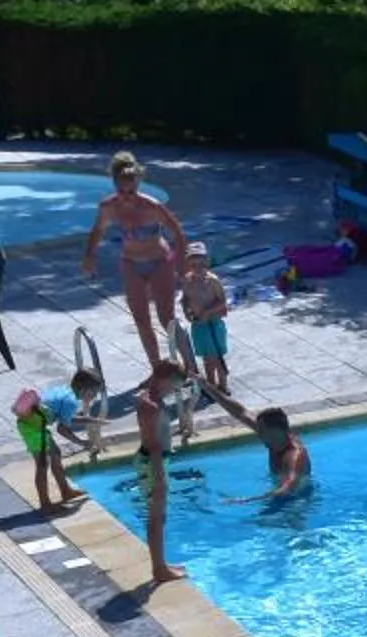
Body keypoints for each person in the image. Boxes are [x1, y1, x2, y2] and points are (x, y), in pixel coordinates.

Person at [80, 152, 190, 364]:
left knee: (166, 318)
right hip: (131, 263)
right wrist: (89, 256)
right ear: (115, 185)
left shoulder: (152, 207)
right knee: (141, 320)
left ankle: (190, 366)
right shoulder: (108, 207)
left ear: (138, 184)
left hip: (159, 262)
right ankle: (157, 369)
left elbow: (177, 232)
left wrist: (181, 263)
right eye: (122, 191)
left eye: (131, 191)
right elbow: (97, 231)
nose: (127, 196)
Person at [134, 356, 190, 584]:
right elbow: (154, 443)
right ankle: (159, 570)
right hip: (153, 462)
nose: (176, 390)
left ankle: (161, 564)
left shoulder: (149, 397)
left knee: (159, 516)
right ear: (165, 380)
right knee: (156, 518)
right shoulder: (152, 405)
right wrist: (159, 477)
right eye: (176, 385)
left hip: (153, 460)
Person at [213, 396, 311, 503]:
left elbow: (287, 488)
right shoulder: (276, 438)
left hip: (296, 501)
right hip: (276, 492)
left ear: (277, 430)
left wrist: (245, 500)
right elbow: (241, 413)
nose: (259, 435)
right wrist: (204, 384)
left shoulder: (294, 456)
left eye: (262, 431)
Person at [177, 240, 232, 396]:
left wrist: (208, 312)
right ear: (189, 265)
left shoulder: (212, 281)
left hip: (213, 324)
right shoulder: (187, 281)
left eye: (201, 264)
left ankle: (223, 384)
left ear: (207, 262)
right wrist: (186, 311)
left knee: (217, 357)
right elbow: (185, 299)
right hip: (199, 325)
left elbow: (222, 302)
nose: (198, 269)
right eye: (194, 265)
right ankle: (211, 386)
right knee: (207, 359)